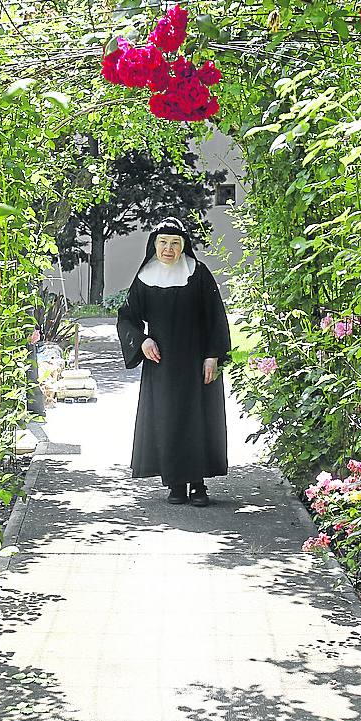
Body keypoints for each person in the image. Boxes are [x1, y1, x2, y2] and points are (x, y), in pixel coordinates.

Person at [116, 217, 232, 507]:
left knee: (198, 420)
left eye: (175, 243)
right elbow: (126, 318)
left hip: (196, 361)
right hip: (162, 365)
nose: (169, 249)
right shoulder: (145, 278)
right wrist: (142, 341)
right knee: (168, 420)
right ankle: (176, 484)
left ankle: (199, 485)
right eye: (163, 243)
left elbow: (216, 317)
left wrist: (212, 356)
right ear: (154, 245)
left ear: (184, 247)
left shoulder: (198, 274)